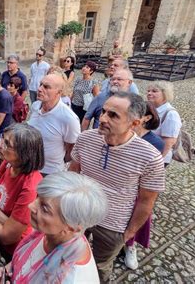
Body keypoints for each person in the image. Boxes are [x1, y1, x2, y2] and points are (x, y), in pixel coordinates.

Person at [69, 92, 166, 282]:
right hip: (79, 212)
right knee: (70, 255)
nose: (102, 118)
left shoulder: (150, 158)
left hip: (113, 225)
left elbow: (146, 202)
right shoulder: (85, 139)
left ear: (135, 123)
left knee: (99, 266)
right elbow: (72, 175)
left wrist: (128, 233)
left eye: (113, 115)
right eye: (104, 111)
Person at [0, 172, 108, 284]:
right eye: (38, 197)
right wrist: (10, 269)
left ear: (72, 227)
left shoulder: (73, 279)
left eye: (44, 208)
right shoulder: (50, 233)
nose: (31, 206)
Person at [0, 123, 44, 262]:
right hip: (0, 232)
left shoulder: (29, 186)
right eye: (3, 139)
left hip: (15, 249)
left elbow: (7, 237)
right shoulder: (10, 163)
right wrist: (5, 220)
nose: (0, 145)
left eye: (7, 144)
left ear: (23, 154)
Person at [124, 101, 165, 270]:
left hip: (137, 190)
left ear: (146, 118)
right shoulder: (123, 133)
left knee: (134, 219)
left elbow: (151, 173)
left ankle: (129, 246)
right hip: (120, 186)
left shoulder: (154, 142)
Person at [28, 74, 80, 175]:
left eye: (46, 87)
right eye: (40, 84)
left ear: (59, 92)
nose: (39, 89)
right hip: (29, 167)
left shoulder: (69, 118)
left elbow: (72, 149)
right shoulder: (35, 106)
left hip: (50, 172)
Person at [147, 81, 182, 167]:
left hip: (157, 157)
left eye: (154, 91)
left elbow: (169, 141)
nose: (149, 93)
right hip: (146, 153)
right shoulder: (151, 109)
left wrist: (158, 160)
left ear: (165, 94)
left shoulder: (171, 114)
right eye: (148, 91)